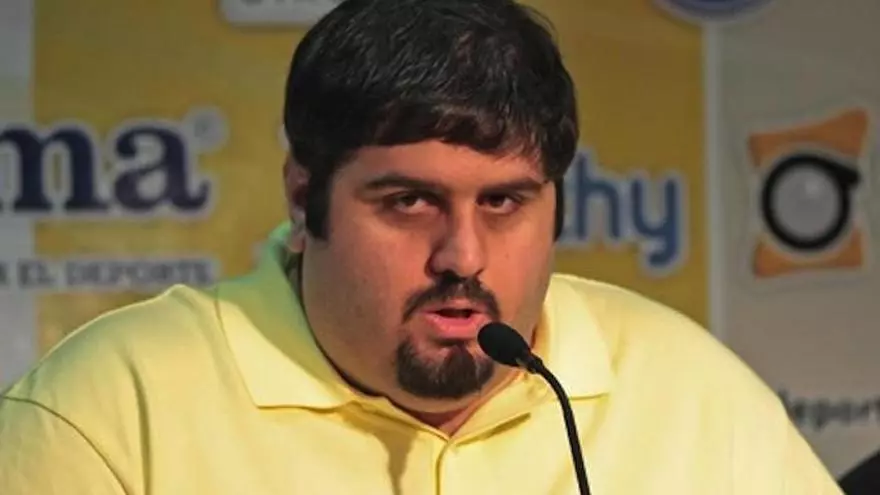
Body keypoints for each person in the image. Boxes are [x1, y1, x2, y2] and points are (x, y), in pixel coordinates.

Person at [0, 0, 843, 493]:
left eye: (505, 202)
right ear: (303, 196)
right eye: (409, 201)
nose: (463, 256)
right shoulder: (108, 411)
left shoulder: (696, 394)